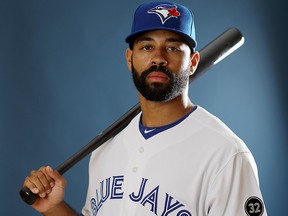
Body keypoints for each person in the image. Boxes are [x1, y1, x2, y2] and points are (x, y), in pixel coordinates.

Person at [22, 1, 267, 215]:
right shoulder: (105, 149)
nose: (158, 57)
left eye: (172, 47)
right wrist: (55, 208)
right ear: (130, 59)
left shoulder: (226, 155)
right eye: (147, 47)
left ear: (192, 62)